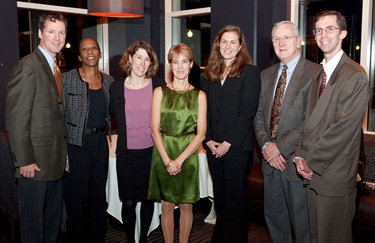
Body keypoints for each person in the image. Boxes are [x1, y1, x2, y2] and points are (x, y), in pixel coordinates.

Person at [294, 10, 369, 243]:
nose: (323, 35)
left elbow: (342, 129)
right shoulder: (319, 74)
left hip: (334, 171)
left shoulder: (355, 75)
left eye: (330, 29)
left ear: (343, 33)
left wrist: (311, 161)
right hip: (312, 170)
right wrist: (298, 154)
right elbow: (306, 122)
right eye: (318, 30)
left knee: (334, 236)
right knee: (317, 235)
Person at [254, 21, 321, 243]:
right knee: (274, 221)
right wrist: (266, 147)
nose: (281, 43)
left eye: (286, 37)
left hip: (296, 162)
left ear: (298, 41)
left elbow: (310, 121)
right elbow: (259, 115)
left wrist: (280, 149)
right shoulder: (266, 74)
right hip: (271, 164)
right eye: (276, 39)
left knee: (303, 226)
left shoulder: (315, 73)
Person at [5, 12, 68, 243]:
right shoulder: (28, 67)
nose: (57, 37)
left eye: (61, 32)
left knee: (51, 226)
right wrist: (24, 160)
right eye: (51, 31)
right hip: (34, 166)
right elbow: (16, 118)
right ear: (40, 33)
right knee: (33, 231)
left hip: (54, 165)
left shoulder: (54, 68)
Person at [202, 25, 261, 243]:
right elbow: (205, 110)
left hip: (236, 148)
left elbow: (248, 111)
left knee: (236, 200)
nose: (227, 46)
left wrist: (227, 143)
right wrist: (207, 140)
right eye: (224, 41)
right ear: (218, 44)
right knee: (221, 197)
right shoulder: (210, 72)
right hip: (212, 146)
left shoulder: (251, 72)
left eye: (232, 42)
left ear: (240, 46)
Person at [148, 43, 207, 243]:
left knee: (186, 206)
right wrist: (167, 161)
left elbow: (201, 134)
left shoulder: (200, 95)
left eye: (184, 62)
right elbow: (154, 130)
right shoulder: (159, 92)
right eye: (175, 62)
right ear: (170, 66)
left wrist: (179, 161)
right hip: (163, 152)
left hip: (188, 155)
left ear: (191, 65)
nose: (180, 66)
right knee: (166, 206)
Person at [110, 40, 165, 243]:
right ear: (130, 59)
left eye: (147, 59)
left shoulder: (157, 84)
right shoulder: (116, 87)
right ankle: (130, 240)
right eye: (139, 57)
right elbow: (109, 116)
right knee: (129, 202)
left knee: (148, 199)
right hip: (126, 154)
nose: (143, 63)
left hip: (151, 152)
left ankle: (142, 239)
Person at [62, 37, 114, 243]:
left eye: (93, 48)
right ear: (79, 56)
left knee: (97, 198)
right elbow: (58, 114)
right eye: (85, 48)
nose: (90, 51)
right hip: (76, 146)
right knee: (77, 199)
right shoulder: (66, 80)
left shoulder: (109, 82)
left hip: (101, 144)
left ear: (100, 53)